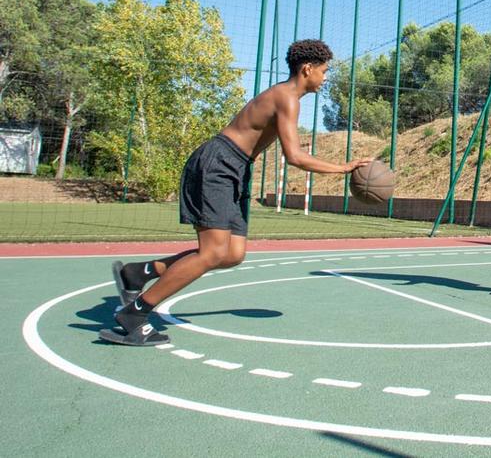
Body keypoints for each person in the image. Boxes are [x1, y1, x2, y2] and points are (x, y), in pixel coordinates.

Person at [102, 39, 370, 346]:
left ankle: (138, 273)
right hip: (218, 164)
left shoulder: (286, 97)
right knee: (212, 252)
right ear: (307, 69)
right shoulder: (287, 97)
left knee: (232, 254)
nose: (325, 77)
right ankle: (135, 314)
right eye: (324, 71)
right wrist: (343, 168)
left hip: (235, 168)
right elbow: (294, 156)